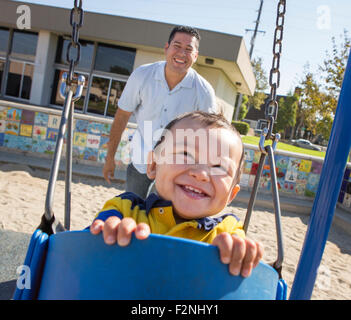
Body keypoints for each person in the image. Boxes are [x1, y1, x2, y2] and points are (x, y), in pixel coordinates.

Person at [92, 111, 263, 278]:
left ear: (231, 195)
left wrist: (235, 252)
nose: (201, 174)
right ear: (153, 165)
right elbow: (86, 251)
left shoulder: (227, 230)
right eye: (185, 155)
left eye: (219, 167)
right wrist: (109, 232)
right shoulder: (125, 209)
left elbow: (240, 257)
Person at [103, 25, 217, 199]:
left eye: (188, 49)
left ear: (195, 56)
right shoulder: (142, 75)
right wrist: (109, 158)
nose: (181, 54)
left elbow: (207, 136)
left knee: (161, 220)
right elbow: (122, 116)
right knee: (132, 211)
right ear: (166, 48)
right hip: (140, 162)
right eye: (177, 46)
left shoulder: (203, 91)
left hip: (176, 171)